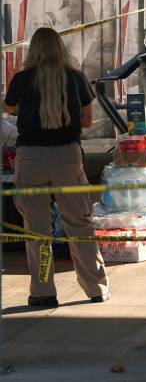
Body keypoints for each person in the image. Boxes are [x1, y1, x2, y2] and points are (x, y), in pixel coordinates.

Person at [3, 27, 109, 307]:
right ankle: (94, 288)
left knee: (37, 230)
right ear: (60, 48)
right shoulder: (75, 78)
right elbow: (87, 121)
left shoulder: (22, 79)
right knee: (79, 224)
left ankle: (43, 292)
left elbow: (8, 107)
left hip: (31, 158)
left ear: (33, 50)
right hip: (67, 156)